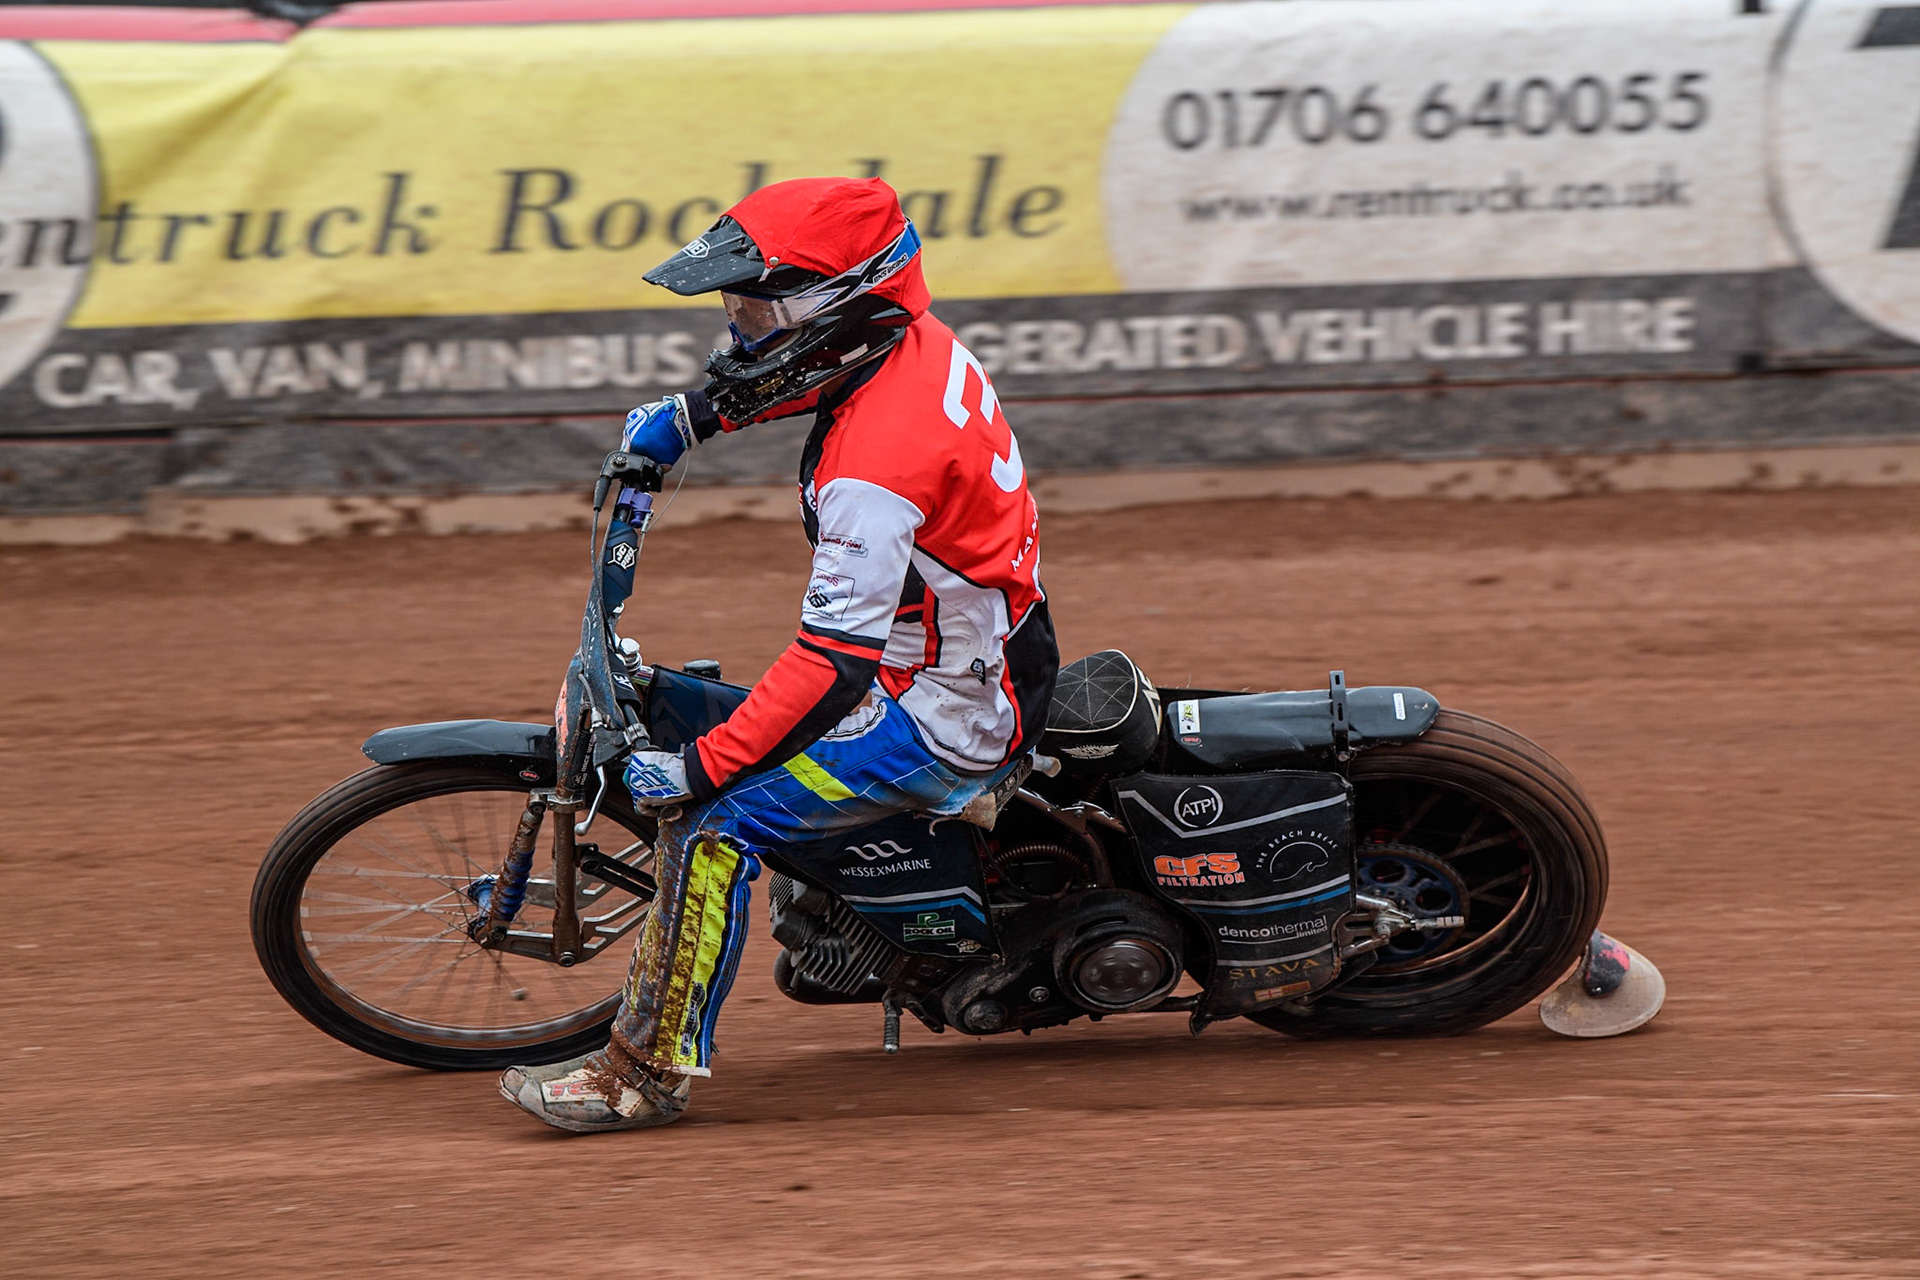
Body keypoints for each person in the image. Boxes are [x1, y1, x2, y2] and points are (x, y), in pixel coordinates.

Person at [499, 176, 1059, 1133]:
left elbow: (829, 662)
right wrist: (696, 418)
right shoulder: (907, 341)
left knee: (713, 824)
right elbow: (811, 370)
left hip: (939, 712)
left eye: (753, 308)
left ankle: (640, 1074)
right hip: (958, 651)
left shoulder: (872, 473)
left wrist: (699, 768)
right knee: (671, 705)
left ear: (831, 308)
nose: (735, 329)